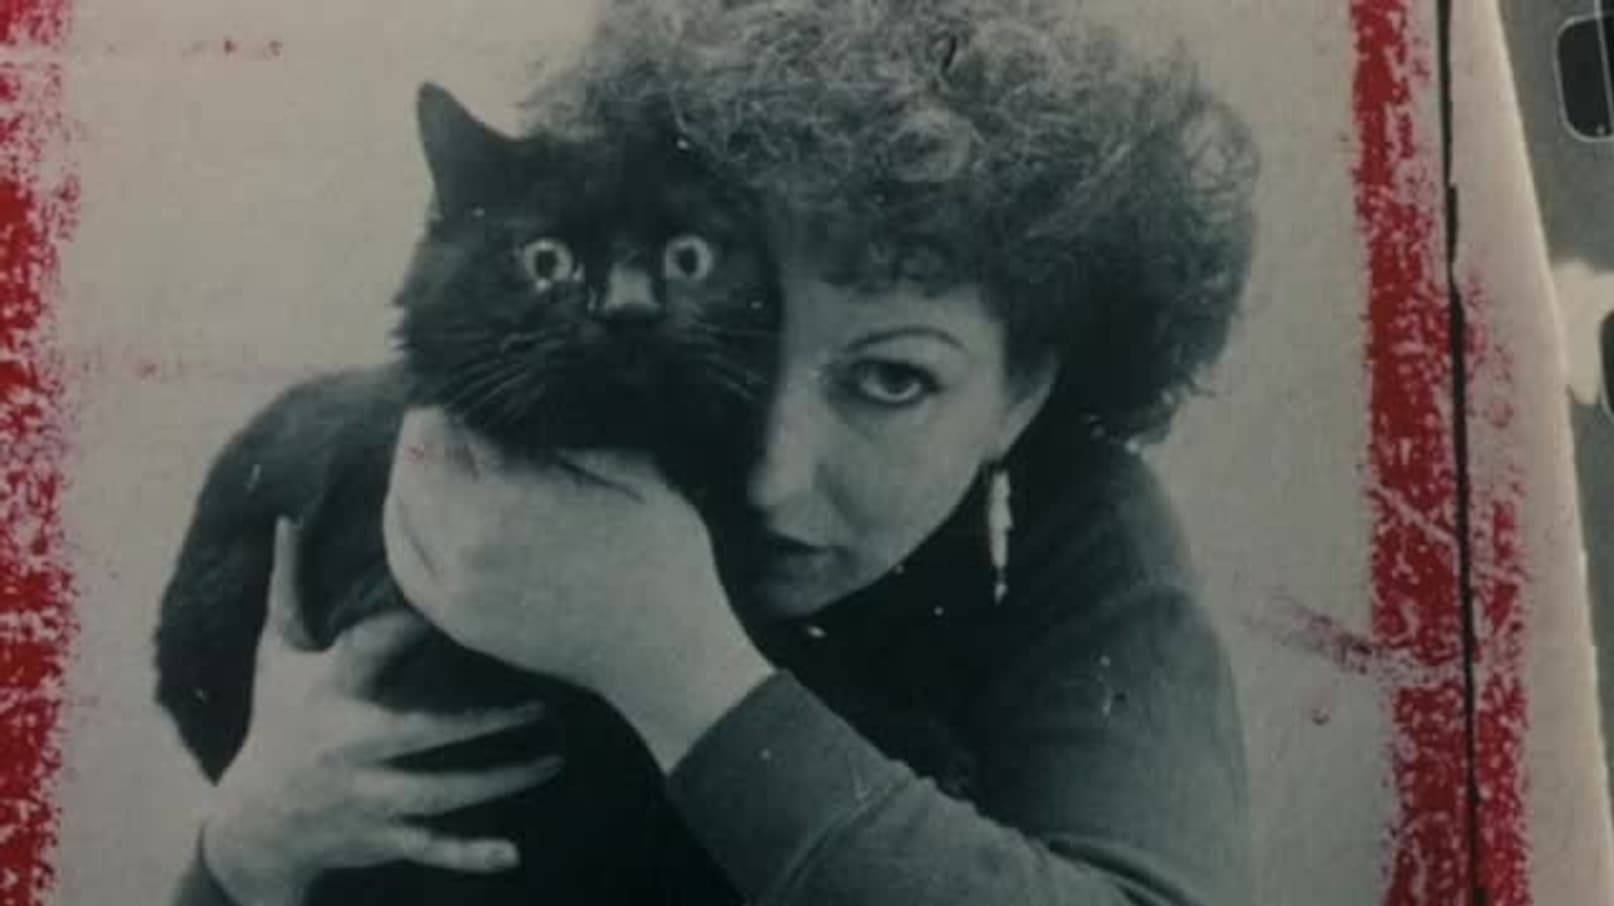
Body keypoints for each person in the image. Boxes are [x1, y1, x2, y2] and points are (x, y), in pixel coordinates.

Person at [173, 0, 1260, 903]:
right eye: (750, 338)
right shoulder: (531, 462)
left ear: (1025, 393)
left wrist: (680, 669)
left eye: (892, 379)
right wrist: (240, 858)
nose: (773, 474)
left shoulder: (1081, 532)